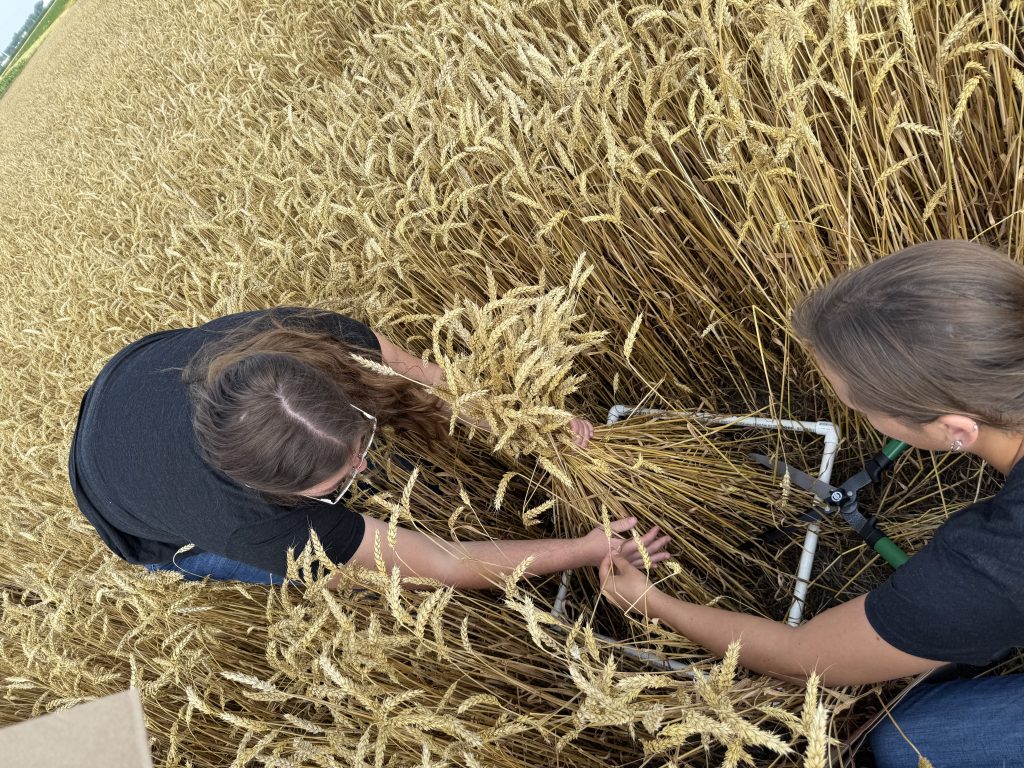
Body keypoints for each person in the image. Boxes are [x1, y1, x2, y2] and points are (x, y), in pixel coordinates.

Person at [599, 241, 1024, 767]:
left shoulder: (993, 567)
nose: (857, 413)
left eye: (860, 407)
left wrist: (648, 601)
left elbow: (800, 658)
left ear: (955, 429)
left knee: (913, 743)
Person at [70, 307, 670, 589]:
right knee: (329, 575)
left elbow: (429, 381)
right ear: (285, 497)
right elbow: (445, 564)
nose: (364, 466)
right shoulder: (254, 523)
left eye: (358, 443)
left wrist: (530, 420)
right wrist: (583, 547)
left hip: (131, 377)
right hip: (117, 495)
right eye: (337, 481)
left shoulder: (294, 343)